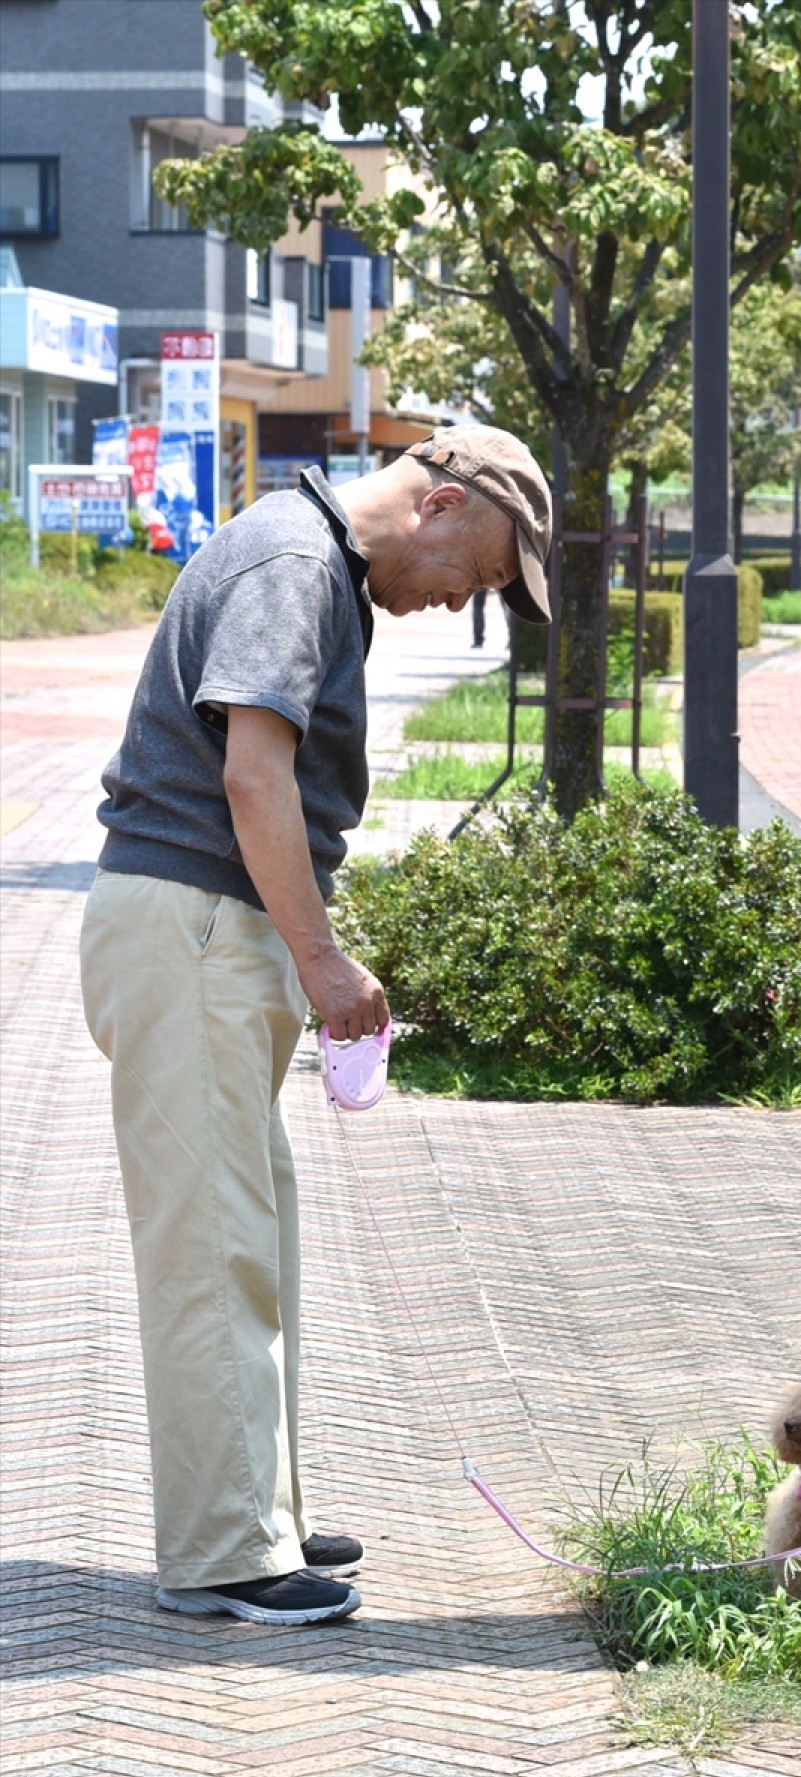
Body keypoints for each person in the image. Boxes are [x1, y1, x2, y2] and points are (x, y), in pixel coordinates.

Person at [80, 426, 552, 1625]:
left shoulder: (313, 565)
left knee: (257, 1233)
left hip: (204, 930)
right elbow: (252, 777)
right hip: (190, 923)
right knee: (213, 1249)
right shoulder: (296, 563)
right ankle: (227, 1552)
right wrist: (323, 957)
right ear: (441, 504)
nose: (461, 605)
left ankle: (261, 1513)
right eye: (482, 576)